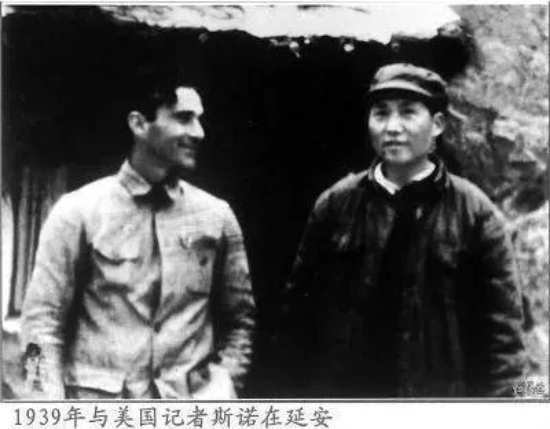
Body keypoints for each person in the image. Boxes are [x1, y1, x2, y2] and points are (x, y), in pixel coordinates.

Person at [283, 63, 527, 398]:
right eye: (381, 113)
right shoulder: (335, 204)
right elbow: (297, 317)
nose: (392, 127)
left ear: (437, 125)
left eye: (408, 113)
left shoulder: (475, 213)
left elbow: (505, 340)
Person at [21, 69, 256, 399]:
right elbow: (40, 326)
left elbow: (240, 323)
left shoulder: (217, 216)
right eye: (184, 118)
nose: (199, 132)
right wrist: (48, 409)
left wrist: (223, 385)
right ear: (139, 124)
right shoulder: (77, 212)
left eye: (200, 120)